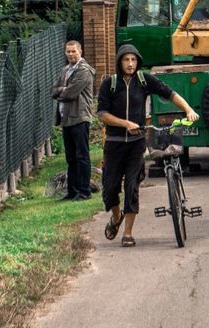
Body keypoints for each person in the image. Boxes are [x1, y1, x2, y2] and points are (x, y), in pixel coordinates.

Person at [96, 43, 198, 247]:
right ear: (119, 62)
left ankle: (128, 233)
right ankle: (116, 218)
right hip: (114, 144)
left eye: (134, 60)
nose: (130, 64)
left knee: (132, 186)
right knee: (110, 188)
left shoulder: (144, 81)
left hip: (136, 144)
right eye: (126, 60)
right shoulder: (110, 84)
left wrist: (188, 109)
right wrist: (125, 124)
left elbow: (168, 93)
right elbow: (102, 114)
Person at [53, 39, 96, 200]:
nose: (71, 54)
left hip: (79, 117)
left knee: (82, 156)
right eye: (68, 51)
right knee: (71, 157)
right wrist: (63, 90)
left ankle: (84, 191)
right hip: (66, 118)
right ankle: (72, 191)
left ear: (80, 52)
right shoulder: (65, 70)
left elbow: (70, 94)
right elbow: (53, 91)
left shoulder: (84, 71)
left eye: (74, 51)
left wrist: (62, 91)